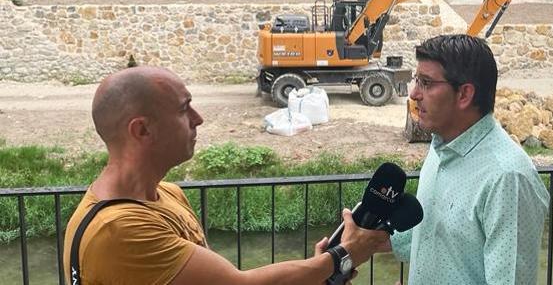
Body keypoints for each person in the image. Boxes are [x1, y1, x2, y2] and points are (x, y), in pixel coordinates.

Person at [63, 66, 387, 285]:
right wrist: (341, 257)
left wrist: (320, 270)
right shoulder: (117, 229)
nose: (198, 118)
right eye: (183, 108)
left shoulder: (169, 194)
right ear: (142, 129)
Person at [389, 34, 550, 284]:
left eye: (426, 83)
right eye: (416, 80)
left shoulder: (506, 178)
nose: (414, 93)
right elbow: (436, 234)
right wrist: (365, 240)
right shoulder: (440, 147)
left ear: (464, 95)